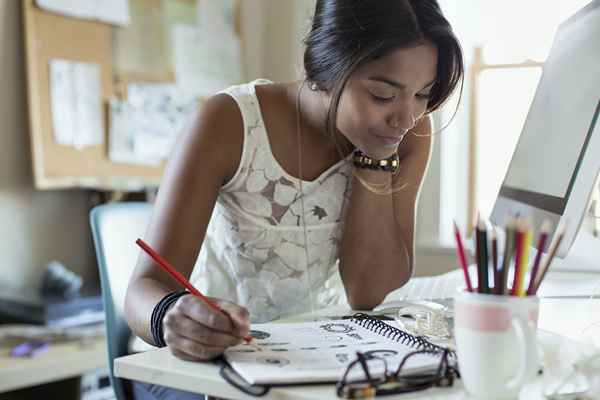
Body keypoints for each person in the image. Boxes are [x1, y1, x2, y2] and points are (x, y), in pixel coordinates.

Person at [125, 0, 463, 398]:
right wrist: (171, 315)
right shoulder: (229, 121)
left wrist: (373, 158)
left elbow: (368, 291)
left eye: (422, 94)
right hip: (198, 364)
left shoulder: (405, 137)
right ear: (321, 70)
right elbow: (143, 289)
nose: (406, 118)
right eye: (382, 94)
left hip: (314, 356)